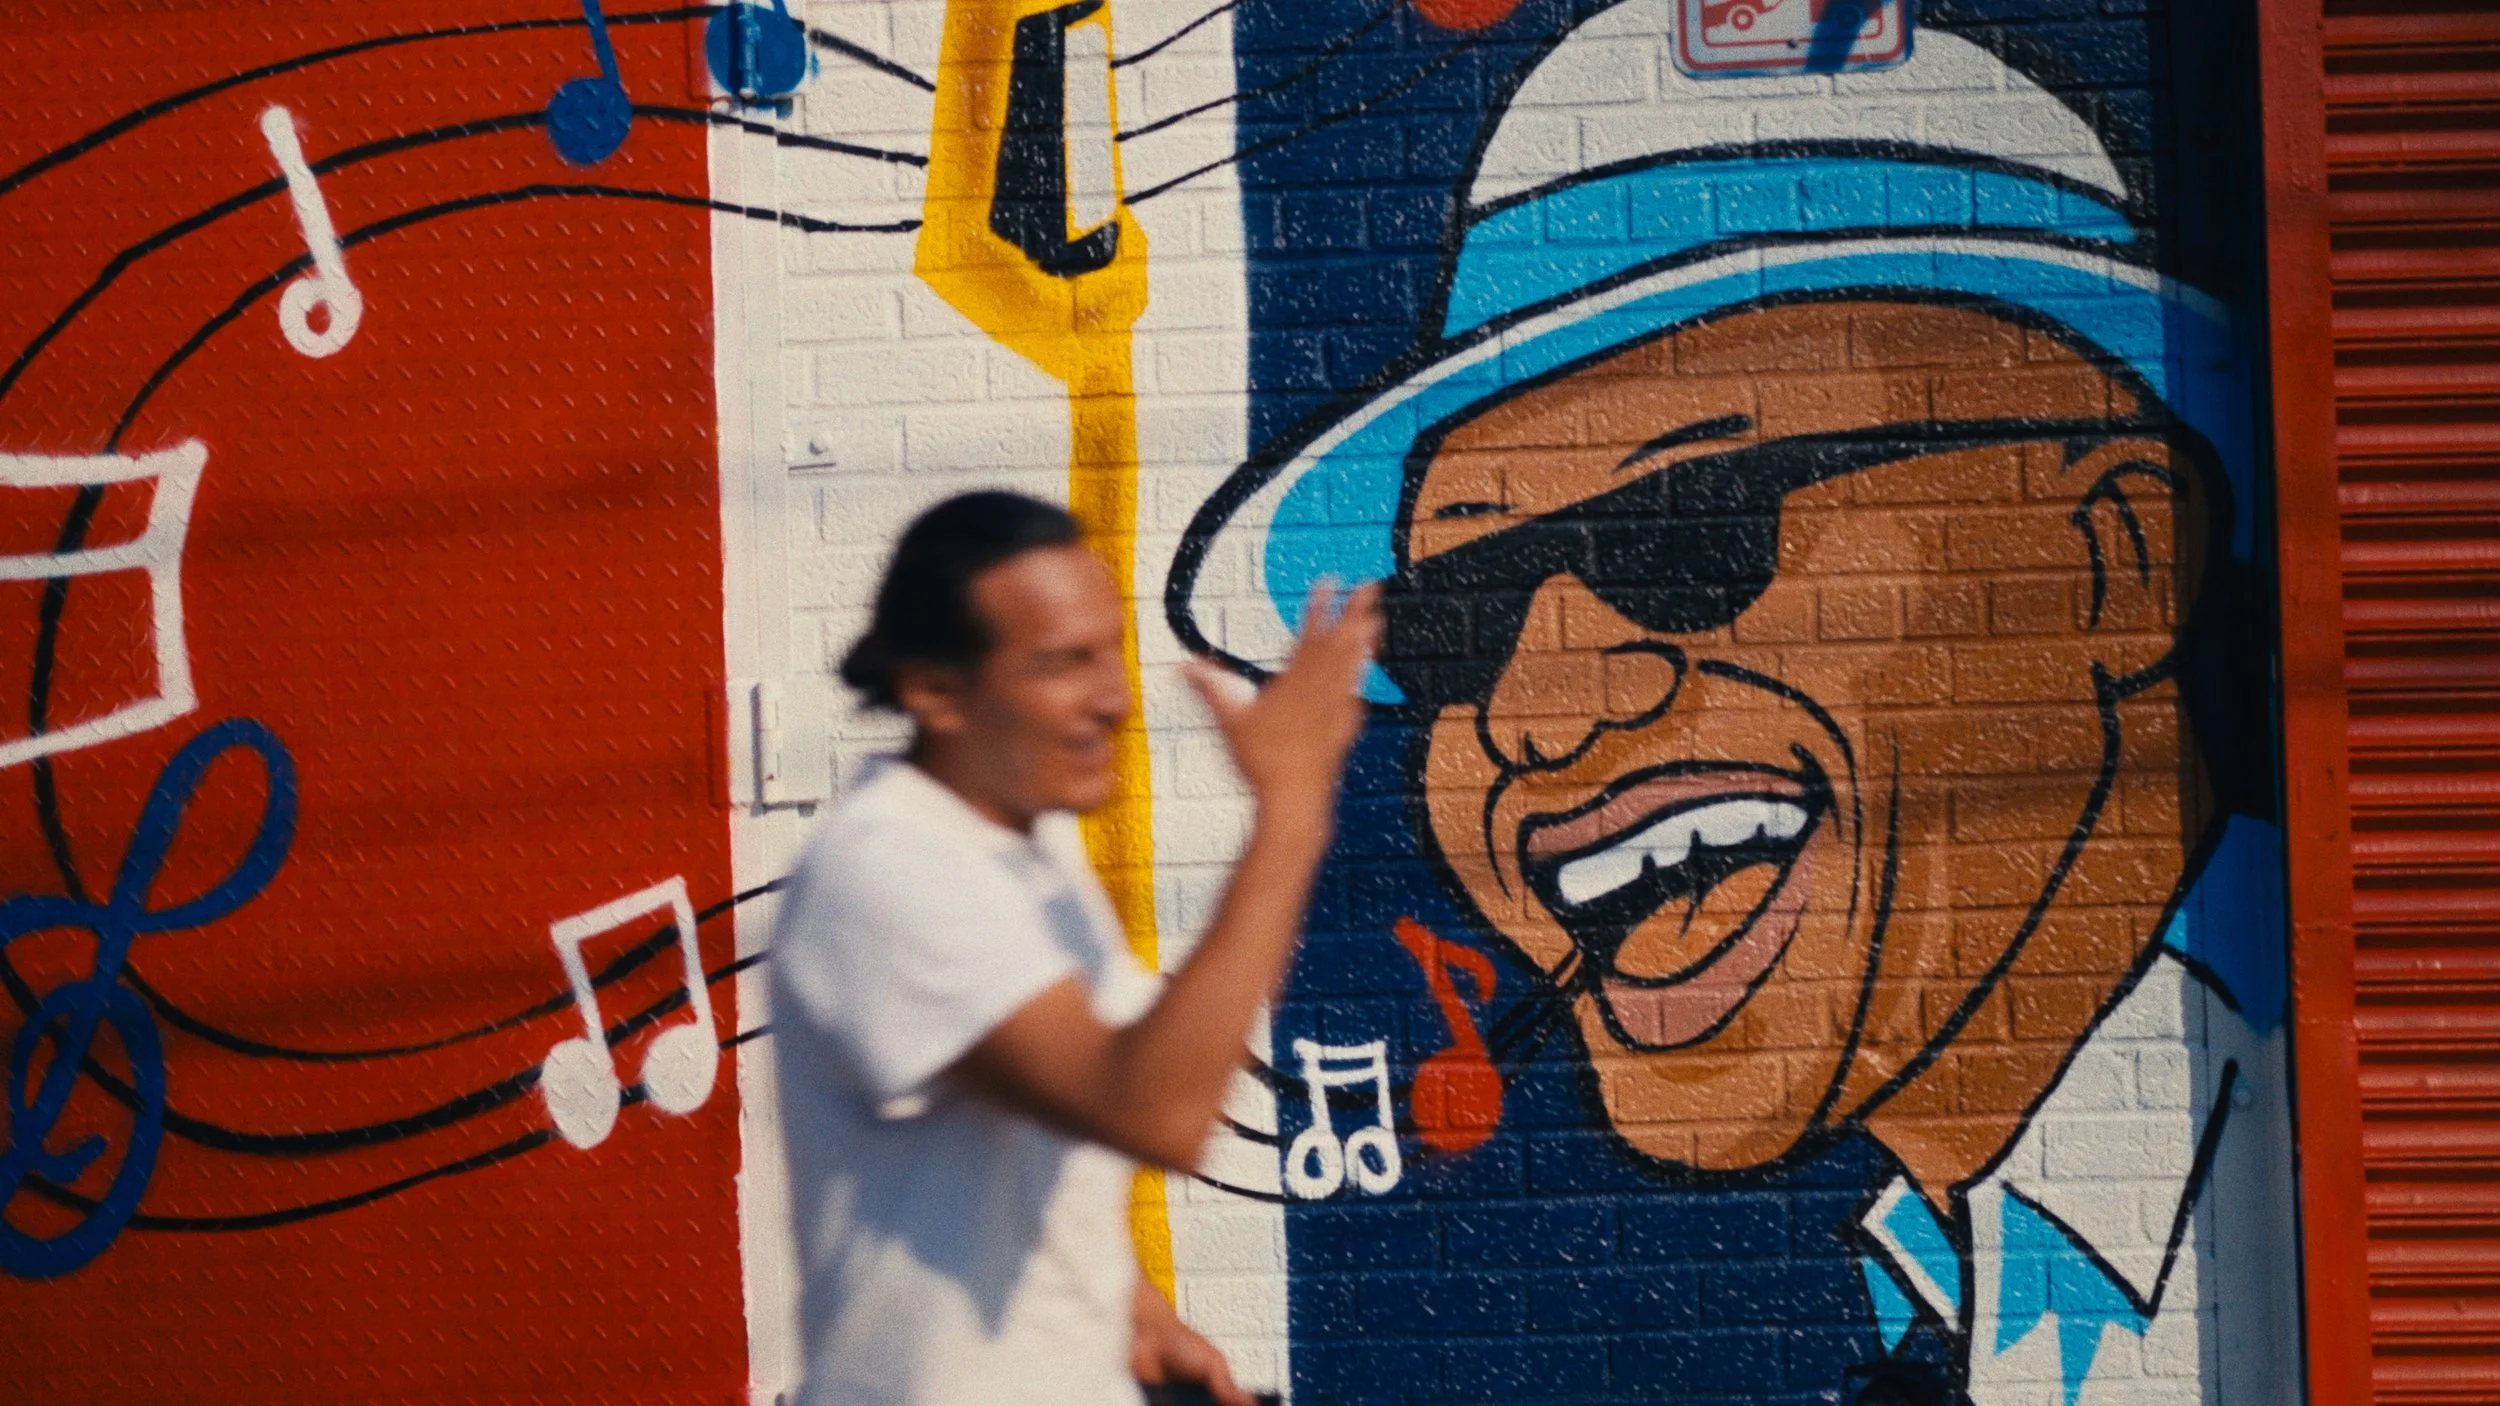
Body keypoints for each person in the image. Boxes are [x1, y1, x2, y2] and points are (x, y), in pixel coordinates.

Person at [1166, 4, 2300, 1400]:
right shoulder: (1965, 1249)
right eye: (1459, 619)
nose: (1539, 710)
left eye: (1689, 534)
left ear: (2118, 557)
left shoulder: (2335, 1140)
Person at [770, 490, 1380, 1406]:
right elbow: (1153, 1110)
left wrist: (1135, 1311)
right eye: (1062, 664)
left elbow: (1056, 1112)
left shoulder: (1031, 844)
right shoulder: (890, 871)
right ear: (935, 692)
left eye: (1111, 650)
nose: (1115, 699)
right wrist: (1291, 811)